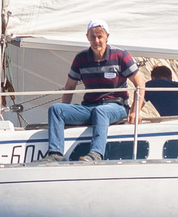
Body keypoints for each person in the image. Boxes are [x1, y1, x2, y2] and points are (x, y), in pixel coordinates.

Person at [43, 20, 142, 162]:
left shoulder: (120, 55)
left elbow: (140, 82)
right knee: (56, 110)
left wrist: (135, 111)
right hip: (90, 107)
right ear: (87, 37)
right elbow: (70, 86)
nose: (96, 40)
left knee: (101, 111)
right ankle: (56, 154)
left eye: (100, 36)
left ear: (107, 36)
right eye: (93, 37)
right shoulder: (81, 58)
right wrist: (66, 115)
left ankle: (96, 154)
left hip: (117, 107)